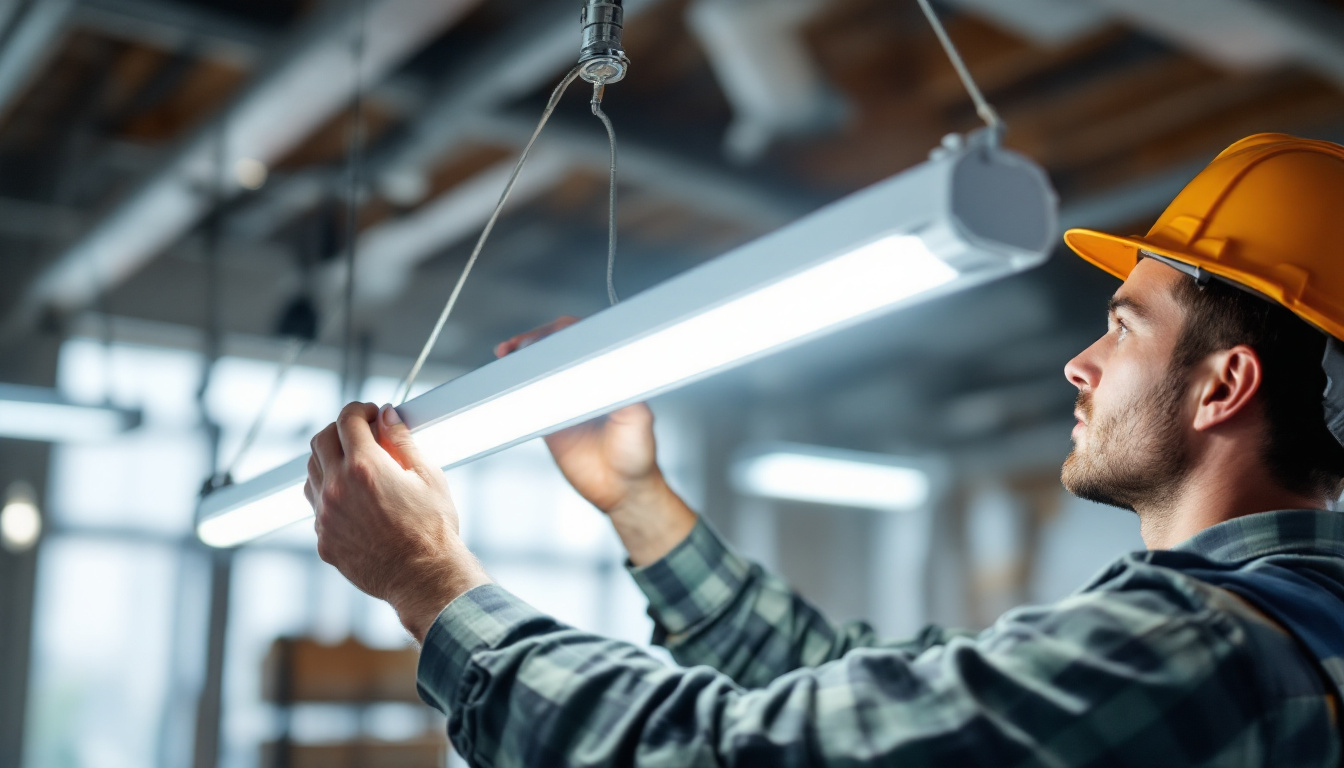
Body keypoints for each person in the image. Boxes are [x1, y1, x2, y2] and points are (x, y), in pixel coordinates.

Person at [305, 133, 1344, 766]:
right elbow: (863, 688)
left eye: (1123, 325)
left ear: (1223, 386)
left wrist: (429, 584)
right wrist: (638, 499)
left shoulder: (1193, 650)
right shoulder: (1290, 631)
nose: (1080, 362)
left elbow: (736, 759)